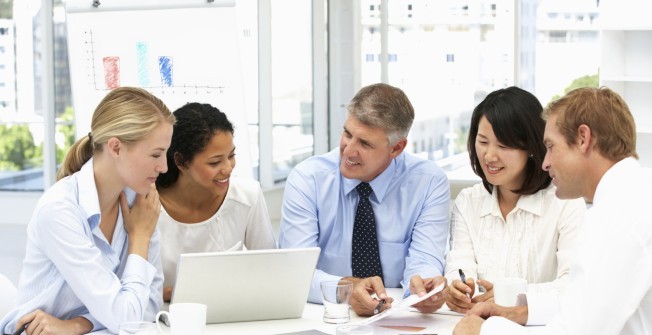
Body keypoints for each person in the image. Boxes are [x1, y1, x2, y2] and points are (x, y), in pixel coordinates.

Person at [454, 87, 652, 335]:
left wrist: (484, 331)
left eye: (550, 146)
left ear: (583, 139)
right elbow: (582, 308)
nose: (545, 162)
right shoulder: (632, 195)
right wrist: (520, 311)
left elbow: (576, 331)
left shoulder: (617, 217)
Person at [0, 87, 173, 335]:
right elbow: (126, 319)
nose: (164, 166)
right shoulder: (60, 210)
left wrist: (79, 324)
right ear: (115, 148)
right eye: (156, 154)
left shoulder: (142, 204)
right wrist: (141, 239)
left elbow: (149, 313)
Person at [278, 83, 451, 316]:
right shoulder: (308, 179)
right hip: (324, 317)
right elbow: (295, 272)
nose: (348, 151)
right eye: (347, 134)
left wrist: (424, 289)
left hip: (399, 316)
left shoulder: (429, 182)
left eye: (365, 143)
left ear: (396, 148)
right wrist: (346, 290)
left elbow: (424, 260)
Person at [445, 87, 586, 319]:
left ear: (531, 147)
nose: (490, 156)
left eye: (503, 146)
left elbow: (574, 284)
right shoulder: (468, 202)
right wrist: (457, 289)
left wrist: (510, 295)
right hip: (476, 324)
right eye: (482, 142)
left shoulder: (565, 203)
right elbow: (459, 264)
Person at [155, 102, 276, 302]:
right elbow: (127, 287)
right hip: (163, 321)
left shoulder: (248, 196)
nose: (228, 168)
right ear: (181, 161)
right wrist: (164, 294)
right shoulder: (147, 204)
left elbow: (270, 272)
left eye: (231, 156)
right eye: (215, 162)